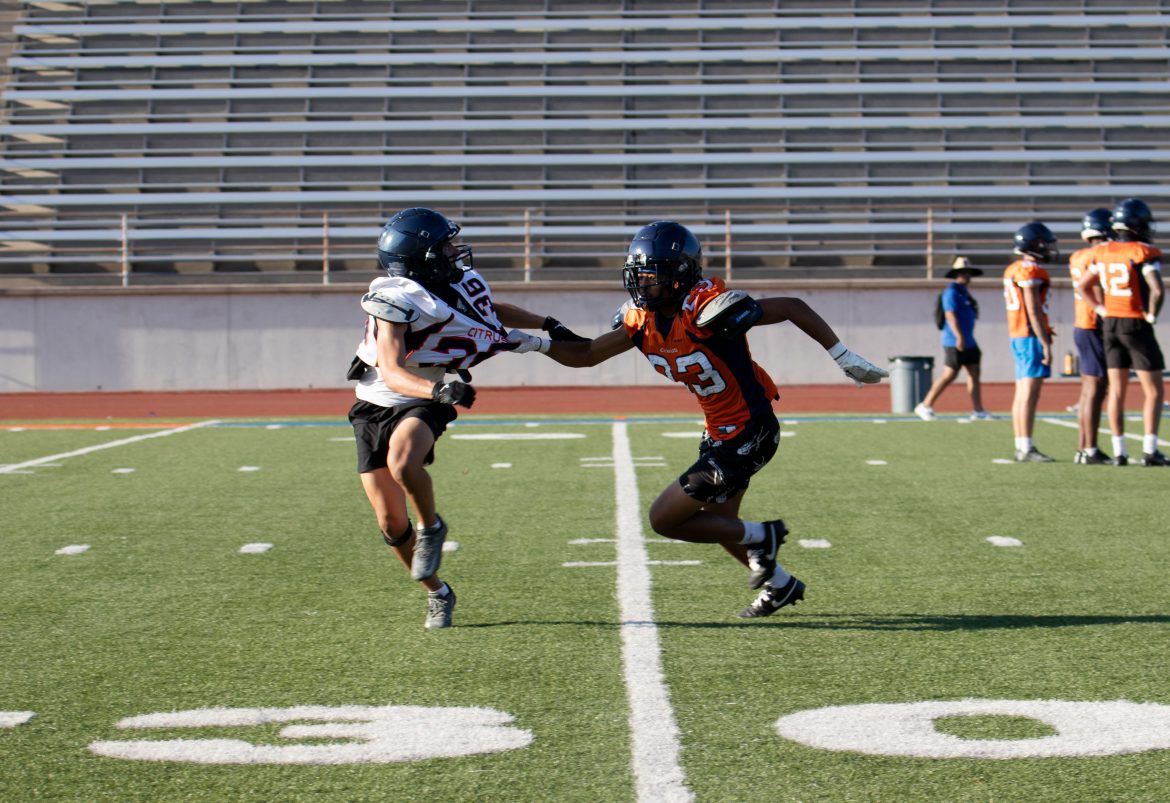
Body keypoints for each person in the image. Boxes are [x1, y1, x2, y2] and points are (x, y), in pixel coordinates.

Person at [506, 221, 887, 619]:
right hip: (719, 433)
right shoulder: (642, 320)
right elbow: (587, 355)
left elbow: (792, 306)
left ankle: (765, 535)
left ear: (678, 274)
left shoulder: (707, 309)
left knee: (664, 519)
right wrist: (537, 344)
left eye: (650, 274)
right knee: (722, 524)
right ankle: (780, 584)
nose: (641, 283)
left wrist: (843, 356)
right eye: (639, 274)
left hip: (750, 430)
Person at [347, 207, 586, 629]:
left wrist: (548, 324)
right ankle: (438, 592)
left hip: (427, 396)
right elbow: (392, 370)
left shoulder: (454, 281)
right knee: (388, 521)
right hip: (386, 396)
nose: (454, 251)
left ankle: (432, 526)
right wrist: (437, 389)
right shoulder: (395, 299)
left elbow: (488, 312)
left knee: (404, 462)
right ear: (418, 257)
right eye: (444, 246)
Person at [1075, 198, 1167, 466]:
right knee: (1153, 390)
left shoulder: (1103, 251)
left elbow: (1083, 286)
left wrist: (1100, 308)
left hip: (1110, 324)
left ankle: (1119, 451)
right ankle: (1150, 450)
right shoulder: (1143, 252)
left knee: (1116, 390)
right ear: (1137, 226)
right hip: (1134, 322)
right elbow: (1157, 289)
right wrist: (1151, 314)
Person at [1003, 222, 1058, 462]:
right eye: (1043, 244)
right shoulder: (1031, 271)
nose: (1047, 248)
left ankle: (1021, 444)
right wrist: (1045, 342)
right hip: (1029, 335)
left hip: (1018, 334)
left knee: (1022, 392)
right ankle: (1026, 447)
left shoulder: (1014, 268)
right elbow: (1033, 310)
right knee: (1029, 393)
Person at [914, 256, 990, 421]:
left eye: (968, 273)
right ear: (957, 274)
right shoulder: (951, 292)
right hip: (955, 341)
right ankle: (925, 405)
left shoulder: (965, 294)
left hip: (970, 341)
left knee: (974, 373)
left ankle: (978, 410)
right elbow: (950, 315)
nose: (967, 276)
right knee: (949, 374)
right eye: (963, 273)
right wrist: (959, 337)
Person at [1067, 208, 1113, 465]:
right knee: (1095, 388)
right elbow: (1097, 288)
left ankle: (1083, 448)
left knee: (1088, 389)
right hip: (1094, 323)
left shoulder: (1078, 255)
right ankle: (1090, 449)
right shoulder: (1099, 255)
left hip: (1081, 323)